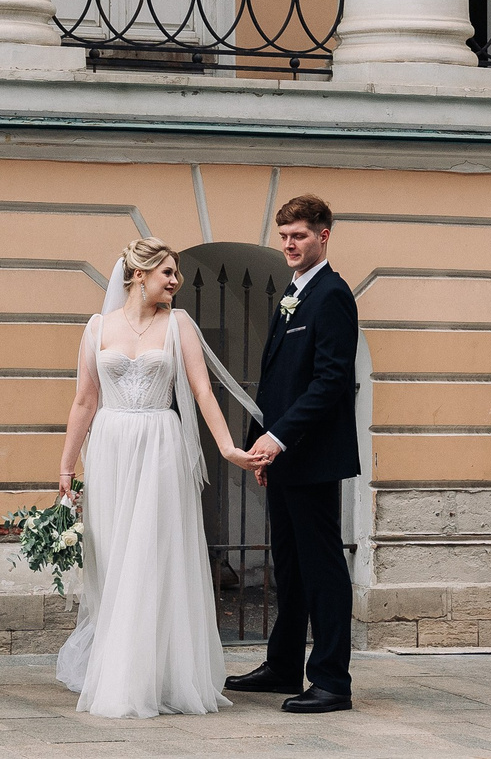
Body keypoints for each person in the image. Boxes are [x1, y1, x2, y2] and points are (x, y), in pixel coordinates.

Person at [53, 237, 261, 719]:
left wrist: (227, 447)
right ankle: (120, 671)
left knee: (152, 555)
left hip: (160, 446)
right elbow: (84, 400)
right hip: (109, 449)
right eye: (167, 272)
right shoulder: (97, 327)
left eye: (176, 273)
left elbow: (202, 391)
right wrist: (66, 466)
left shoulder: (179, 324)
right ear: (138, 274)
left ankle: (156, 678)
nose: (176, 280)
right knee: (115, 559)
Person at [224, 195, 359, 714]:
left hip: (312, 458)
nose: (289, 244)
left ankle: (331, 681)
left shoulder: (332, 295)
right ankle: (283, 665)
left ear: (324, 235)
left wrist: (278, 439)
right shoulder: (293, 292)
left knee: (322, 569)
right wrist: (264, 446)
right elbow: (277, 381)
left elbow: (330, 382)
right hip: (283, 458)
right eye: (283, 236)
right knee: (290, 566)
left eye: (298, 235)